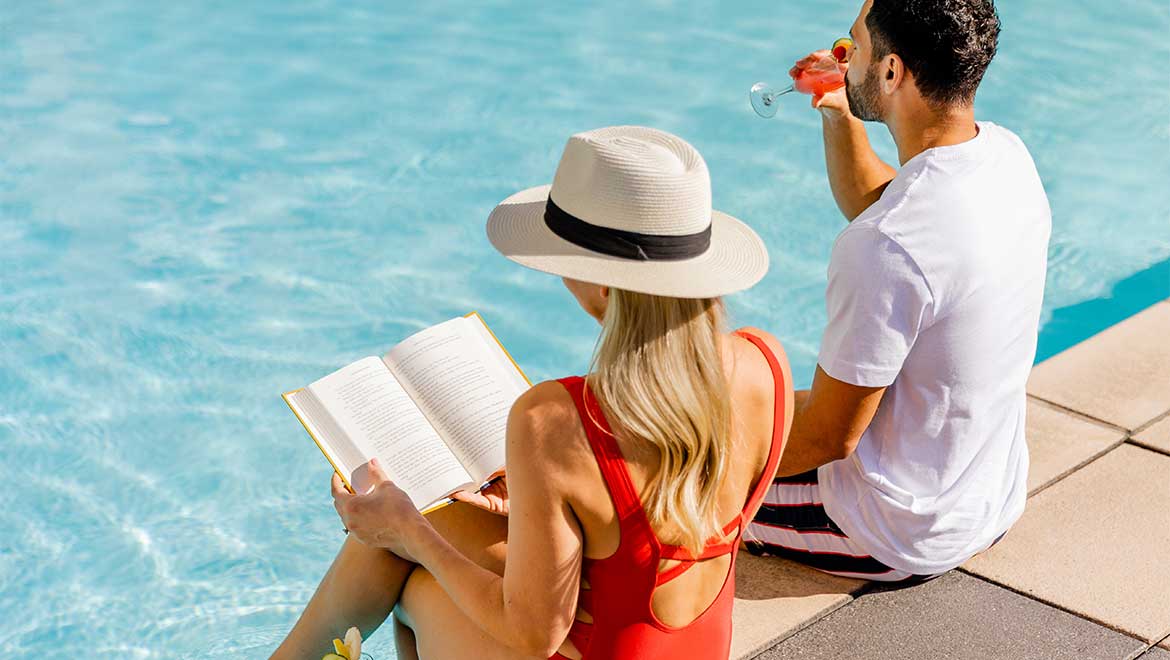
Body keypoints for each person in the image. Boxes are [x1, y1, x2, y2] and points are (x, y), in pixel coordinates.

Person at [271, 125, 795, 659]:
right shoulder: (766, 363)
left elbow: (533, 634)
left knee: (414, 577)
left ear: (604, 284)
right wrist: (536, 504)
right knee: (435, 520)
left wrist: (410, 535)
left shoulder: (554, 419)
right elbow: (659, 526)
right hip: (698, 646)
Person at [744, 0, 1052, 582]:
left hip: (892, 528)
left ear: (891, 71)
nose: (841, 53)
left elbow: (829, 438)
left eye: (854, 44)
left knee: (656, 490)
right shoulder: (1005, 157)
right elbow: (884, 205)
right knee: (744, 401)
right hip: (986, 492)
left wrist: (693, 473)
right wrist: (841, 111)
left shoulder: (886, 246)